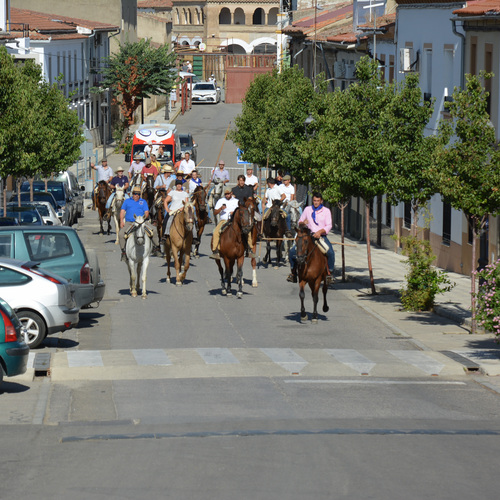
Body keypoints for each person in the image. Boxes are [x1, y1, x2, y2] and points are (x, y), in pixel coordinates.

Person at [287, 192, 335, 284]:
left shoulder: (326, 211)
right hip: (308, 236)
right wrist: (302, 223)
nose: (316, 202)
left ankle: (330, 273)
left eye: (317, 201)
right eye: (314, 201)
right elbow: (300, 222)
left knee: (330, 252)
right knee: (293, 252)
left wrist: (320, 232)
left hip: (320, 236)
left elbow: (329, 225)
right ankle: (293, 273)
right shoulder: (307, 209)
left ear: (321, 201)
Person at [119, 186, 159, 261]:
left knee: (154, 230)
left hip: (142, 221)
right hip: (130, 222)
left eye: (138, 194)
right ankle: (123, 252)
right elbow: (122, 211)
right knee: (121, 234)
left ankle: (156, 247)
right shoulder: (127, 201)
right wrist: (121, 220)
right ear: (132, 194)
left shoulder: (143, 202)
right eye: (134, 193)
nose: (136, 195)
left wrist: (143, 217)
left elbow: (146, 212)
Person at [209, 188, 240, 260]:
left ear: (231, 193)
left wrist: (234, 213)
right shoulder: (221, 201)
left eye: (228, 194)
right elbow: (215, 212)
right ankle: (215, 250)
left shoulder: (236, 201)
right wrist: (221, 209)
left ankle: (248, 248)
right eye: (226, 194)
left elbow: (240, 211)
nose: (227, 195)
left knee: (243, 231)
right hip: (224, 220)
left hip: (233, 220)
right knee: (216, 232)